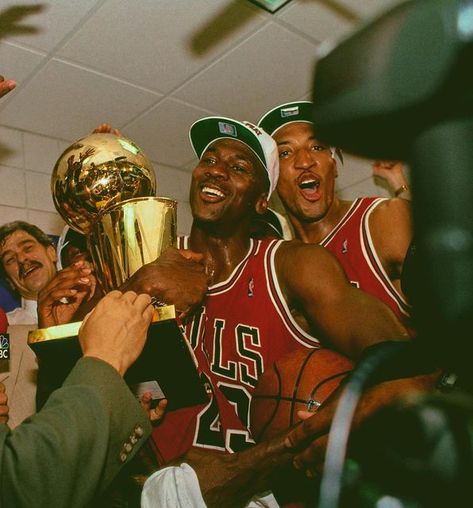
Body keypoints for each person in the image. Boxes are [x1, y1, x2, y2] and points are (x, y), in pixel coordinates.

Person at [125, 116, 431, 507]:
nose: (216, 170)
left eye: (238, 168)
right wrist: (136, 286)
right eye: (209, 160)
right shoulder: (154, 262)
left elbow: (399, 354)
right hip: (162, 488)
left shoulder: (294, 265)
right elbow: (87, 374)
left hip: (267, 492)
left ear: (261, 200)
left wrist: (323, 428)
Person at [258, 101, 413, 328]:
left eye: (317, 147)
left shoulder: (383, 220)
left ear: (334, 165)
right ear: (272, 180)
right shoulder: (282, 268)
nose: (305, 161)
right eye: (285, 152)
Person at [0, 289, 155, 508]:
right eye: (9, 258)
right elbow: (26, 479)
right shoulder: (7, 340)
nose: (22, 260)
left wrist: (118, 409)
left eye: (27, 250)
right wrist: (105, 359)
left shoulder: (9, 338)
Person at [0, 221, 94, 325]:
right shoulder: (7, 330)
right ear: (9, 281)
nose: (21, 259)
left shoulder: (93, 307)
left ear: (52, 252)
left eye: (28, 248)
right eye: (10, 259)